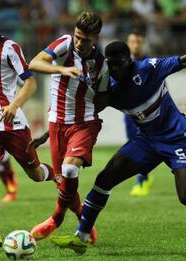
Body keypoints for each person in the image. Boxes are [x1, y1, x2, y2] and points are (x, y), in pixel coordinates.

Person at [50, 36, 186, 254]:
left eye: (119, 64)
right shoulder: (108, 86)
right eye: (111, 65)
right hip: (146, 141)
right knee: (104, 179)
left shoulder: (149, 68)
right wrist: (46, 134)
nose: (115, 69)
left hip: (177, 136)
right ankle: (81, 237)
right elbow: (78, 111)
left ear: (129, 60)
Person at [0, 2, 56, 249]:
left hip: (12, 123)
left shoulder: (10, 48)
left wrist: (14, 105)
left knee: (35, 174)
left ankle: (58, 175)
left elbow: (30, 83)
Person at [27, 11, 109, 243]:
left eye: (86, 39)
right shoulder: (64, 44)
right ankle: (84, 217)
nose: (80, 43)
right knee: (62, 181)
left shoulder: (101, 65)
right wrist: (62, 69)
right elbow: (34, 63)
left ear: (97, 38)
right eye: (78, 37)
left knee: (70, 170)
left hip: (85, 124)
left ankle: (56, 219)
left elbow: (102, 100)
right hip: (57, 125)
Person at [126, 32, 155, 197]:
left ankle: (141, 179)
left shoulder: (149, 61)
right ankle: (143, 176)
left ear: (142, 43)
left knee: (144, 145)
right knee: (133, 143)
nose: (135, 44)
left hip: (146, 111)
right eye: (132, 41)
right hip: (129, 112)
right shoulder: (123, 62)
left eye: (138, 41)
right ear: (127, 43)